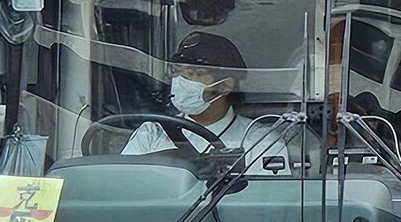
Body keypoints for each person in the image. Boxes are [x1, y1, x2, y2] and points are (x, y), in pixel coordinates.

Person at [121, 31, 316, 171]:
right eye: (177, 72)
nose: (181, 81)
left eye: (194, 74)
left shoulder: (258, 142)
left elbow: (265, 210)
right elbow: (124, 189)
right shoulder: (152, 133)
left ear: (224, 86)